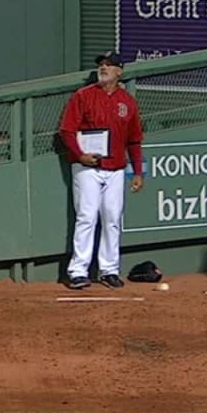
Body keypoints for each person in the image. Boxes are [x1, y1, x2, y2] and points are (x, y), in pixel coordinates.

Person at [58, 51, 144, 290]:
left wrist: (138, 172)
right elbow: (67, 130)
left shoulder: (127, 102)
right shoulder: (83, 96)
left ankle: (109, 270)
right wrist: (80, 155)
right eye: (101, 65)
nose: (104, 68)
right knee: (86, 216)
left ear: (119, 71)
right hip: (87, 166)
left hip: (116, 168)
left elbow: (134, 140)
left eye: (109, 65)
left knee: (112, 219)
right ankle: (78, 270)